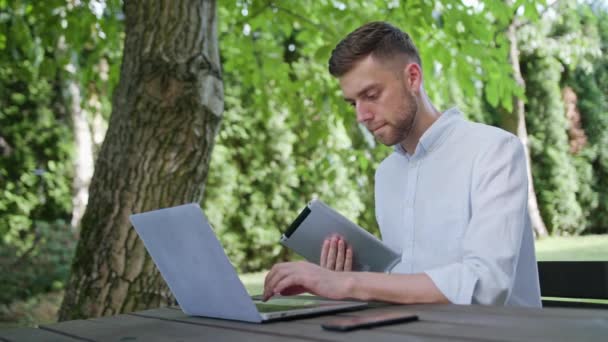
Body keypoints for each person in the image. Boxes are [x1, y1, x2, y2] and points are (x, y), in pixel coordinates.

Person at [263, 21, 541, 307]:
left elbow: (486, 286)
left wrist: (349, 283)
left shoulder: (495, 150)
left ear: (412, 78)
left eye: (371, 95)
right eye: (353, 103)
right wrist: (345, 276)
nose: (361, 116)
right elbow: (401, 278)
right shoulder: (387, 175)